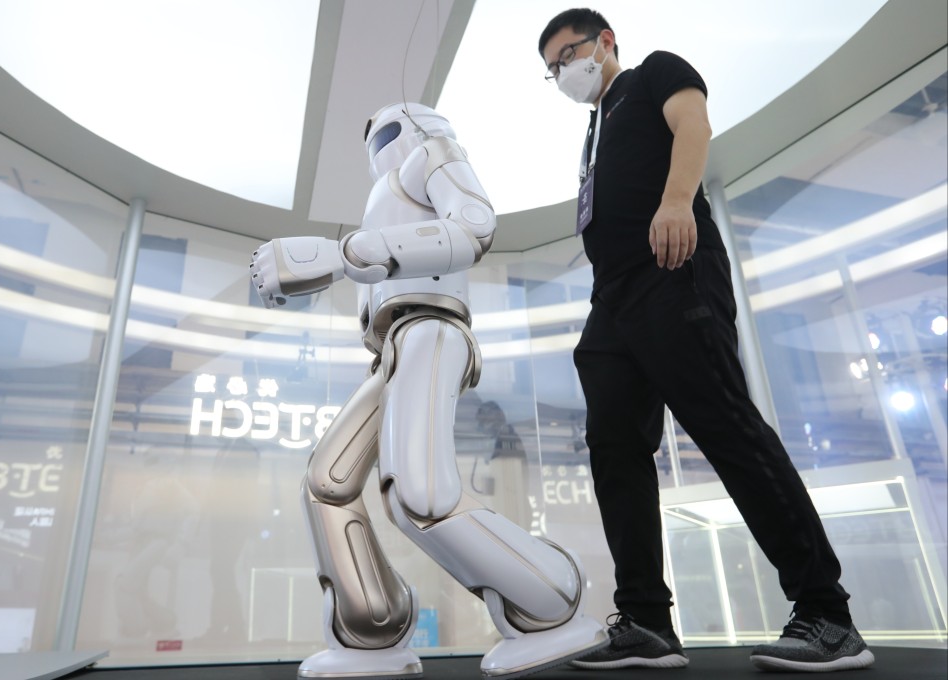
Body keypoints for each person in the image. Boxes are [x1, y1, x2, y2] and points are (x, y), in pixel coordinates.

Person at [537, 8, 875, 673]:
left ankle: (827, 614)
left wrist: (675, 199)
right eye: (551, 69)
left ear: (604, 42)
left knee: (726, 426)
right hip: (613, 299)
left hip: (673, 272)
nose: (562, 72)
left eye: (567, 54)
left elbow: (694, 124)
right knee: (614, 448)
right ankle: (646, 621)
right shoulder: (594, 132)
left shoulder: (656, 73)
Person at [249, 103, 607, 679]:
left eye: (385, 131)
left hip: (432, 330)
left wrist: (339, 257)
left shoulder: (431, 155)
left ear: (415, 125)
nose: (378, 145)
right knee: (328, 485)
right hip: (392, 348)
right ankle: (373, 625)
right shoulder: (383, 198)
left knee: (421, 495)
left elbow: (473, 226)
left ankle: (549, 597)